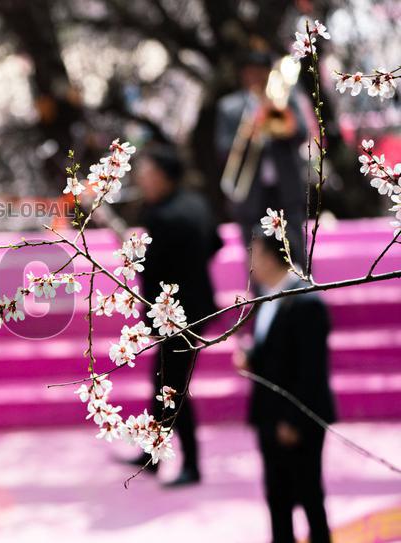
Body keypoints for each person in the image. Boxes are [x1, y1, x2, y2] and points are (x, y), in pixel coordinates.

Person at [127, 143, 222, 487]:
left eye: (147, 172)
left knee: (172, 389)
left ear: (165, 176)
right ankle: (151, 454)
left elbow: (148, 269)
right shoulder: (196, 203)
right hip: (198, 306)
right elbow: (216, 243)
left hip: (175, 316)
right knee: (163, 382)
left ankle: (192, 464)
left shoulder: (159, 216)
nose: (141, 178)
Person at [234, 232, 335, 543]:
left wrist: (293, 421)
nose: (251, 264)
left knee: (308, 494)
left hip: (297, 419)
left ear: (270, 256)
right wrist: (251, 357)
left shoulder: (306, 301)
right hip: (268, 413)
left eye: (255, 255)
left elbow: (312, 369)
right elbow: (273, 347)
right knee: (277, 498)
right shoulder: (268, 295)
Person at [216, 49, 308, 263]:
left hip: (286, 188)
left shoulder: (285, 98)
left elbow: (302, 133)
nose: (256, 77)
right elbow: (222, 147)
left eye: (261, 72)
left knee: (296, 248)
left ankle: (302, 293)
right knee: (255, 254)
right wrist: (249, 134)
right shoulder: (230, 107)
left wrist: (278, 121)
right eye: (251, 72)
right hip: (250, 194)